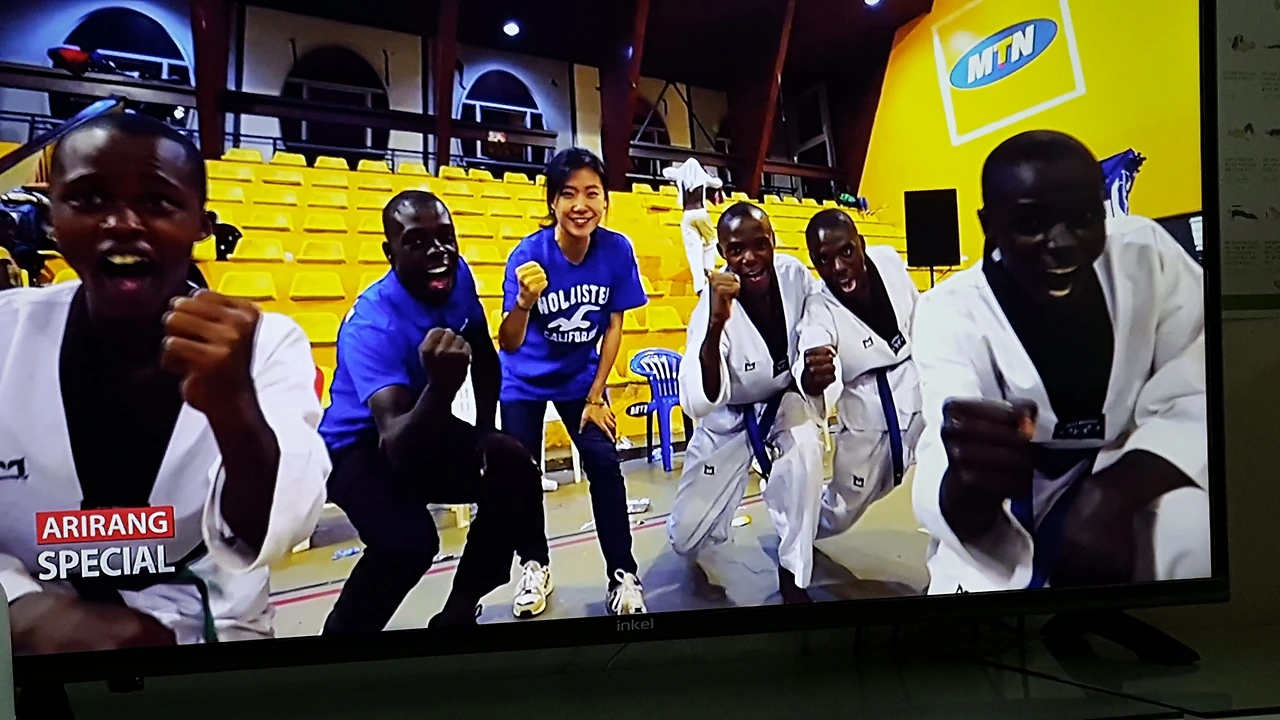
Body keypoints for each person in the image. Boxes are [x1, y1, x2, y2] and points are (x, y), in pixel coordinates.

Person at [0, 112, 329, 654]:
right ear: (52, 218)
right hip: (29, 653)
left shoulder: (267, 343)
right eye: (89, 199)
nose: (122, 223)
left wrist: (234, 405)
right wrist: (19, 607)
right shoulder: (4, 336)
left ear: (202, 223)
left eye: (157, 202)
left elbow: (275, 530)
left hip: (213, 638)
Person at [911, 130, 1209, 594]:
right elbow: (948, 440)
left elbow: (1196, 392)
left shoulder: (1147, 255)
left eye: (1085, 218)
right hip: (1016, 499)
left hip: (1129, 461)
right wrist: (966, 485)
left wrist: (1112, 496)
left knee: (1195, 535)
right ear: (989, 224)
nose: (1063, 242)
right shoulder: (948, 311)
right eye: (1031, 223)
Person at [318, 191, 547, 633]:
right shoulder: (371, 325)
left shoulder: (457, 276)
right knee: (408, 541)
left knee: (512, 465)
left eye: (445, 237)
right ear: (390, 253)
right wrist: (441, 388)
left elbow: (484, 354)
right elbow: (396, 446)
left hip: (423, 422)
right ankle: (340, 644)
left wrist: (484, 433)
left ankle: (458, 615)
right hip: (358, 445)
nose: (438, 252)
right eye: (417, 242)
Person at [498, 148, 649, 616]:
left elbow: (614, 326)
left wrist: (596, 395)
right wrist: (524, 301)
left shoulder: (616, 250)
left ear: (605, 201)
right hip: (523, 380)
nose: (581, 205)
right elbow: (508, 341)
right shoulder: (528, 255)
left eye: (592, 193)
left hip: (579, 379)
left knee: (604, 462)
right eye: (569, 194)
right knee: (521, 474)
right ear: (553, 202)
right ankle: (534, 564)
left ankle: (622, 574)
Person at [668, 202, 826, 603]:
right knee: (685, 539)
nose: (750, 258)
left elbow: (815, 325)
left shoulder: (794, 275)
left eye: (760, 244)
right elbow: (698, 400)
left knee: (806, 450)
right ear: (723, 252)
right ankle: (711, 518)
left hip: (783, 400)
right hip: (728, 417)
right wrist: (716, 323)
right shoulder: (711, 302)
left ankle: (793, 572)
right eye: (737, 250)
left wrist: (814, 368)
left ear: (773, 240)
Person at [794, 209, 923, 538]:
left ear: (861, 244)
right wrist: (812, 377)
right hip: (867, 412)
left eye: (847, 252)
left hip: (916, 388)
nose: (838, 267)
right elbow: (813, 350)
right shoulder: (819, 307)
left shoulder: (888, 261)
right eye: (824, 260)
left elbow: (917, 313)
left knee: (950, 464)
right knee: (844, 508)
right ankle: (796, 535)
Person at [662, 158, 724, 294]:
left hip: (687, 215)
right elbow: (718, 182)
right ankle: (708, 268)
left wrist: (680, 171)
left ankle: (699, 286)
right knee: (711, 242)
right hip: (701, 213)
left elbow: (666, 172)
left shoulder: (681, 177)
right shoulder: (702, 177)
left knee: (693, 250)